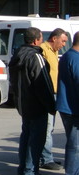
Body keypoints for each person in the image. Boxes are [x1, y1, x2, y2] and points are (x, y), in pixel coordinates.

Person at [9, 27, 56, 175]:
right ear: (36, 40)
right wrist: (51, 105)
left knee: (26, 137)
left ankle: (24, 168)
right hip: (36, 106)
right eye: (41, 38)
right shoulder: (35, 57)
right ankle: (29, 170)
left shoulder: (17, 55)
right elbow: (43, 83)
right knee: (35, 141)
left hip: (24, 104)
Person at [39, 28, 68, 170]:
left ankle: (46, 155)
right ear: (54, 38)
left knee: (49, 128)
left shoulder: (54, 51)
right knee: (47, 127)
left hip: (55, 93)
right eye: (62, 41)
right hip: (48, 93)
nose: (63, 44)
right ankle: (46, 159)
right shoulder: (43, 50)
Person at [56, 31, 79, 175]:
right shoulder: (75, 58)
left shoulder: (67, 55)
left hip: (67, 106)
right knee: (75, 145)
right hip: (73, 108)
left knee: (73, 143)